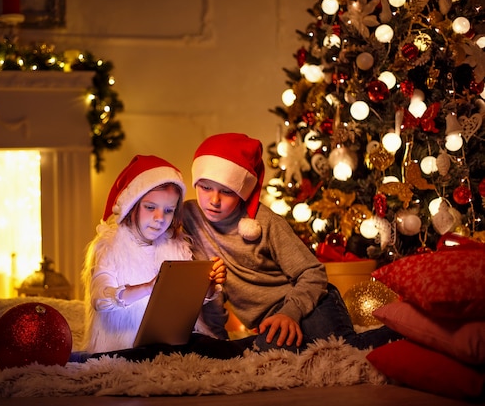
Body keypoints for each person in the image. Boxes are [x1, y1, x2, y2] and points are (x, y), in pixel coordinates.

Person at [182, 132, 402, 353]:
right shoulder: (188, 217)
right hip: (270, 323)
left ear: (242, 192)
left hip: (310, 303)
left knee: (343, 350)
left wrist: (289, 313)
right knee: (259, 351)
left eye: (227, 191)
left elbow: (313, 273)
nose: (214, 200)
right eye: (205, 187)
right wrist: (216, 342)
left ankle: (412, 330)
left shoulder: (264, 222)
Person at [81, 154, 226, 354]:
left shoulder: (176, 247)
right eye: (150, 208)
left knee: (214, 348)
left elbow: (186, 303)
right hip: (122, 345)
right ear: (132, 206)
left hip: (168, 341)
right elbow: (100, 300)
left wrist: (207, 287)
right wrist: (149, 287)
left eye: (168, 210)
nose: (160, 218)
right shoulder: (110, 246)